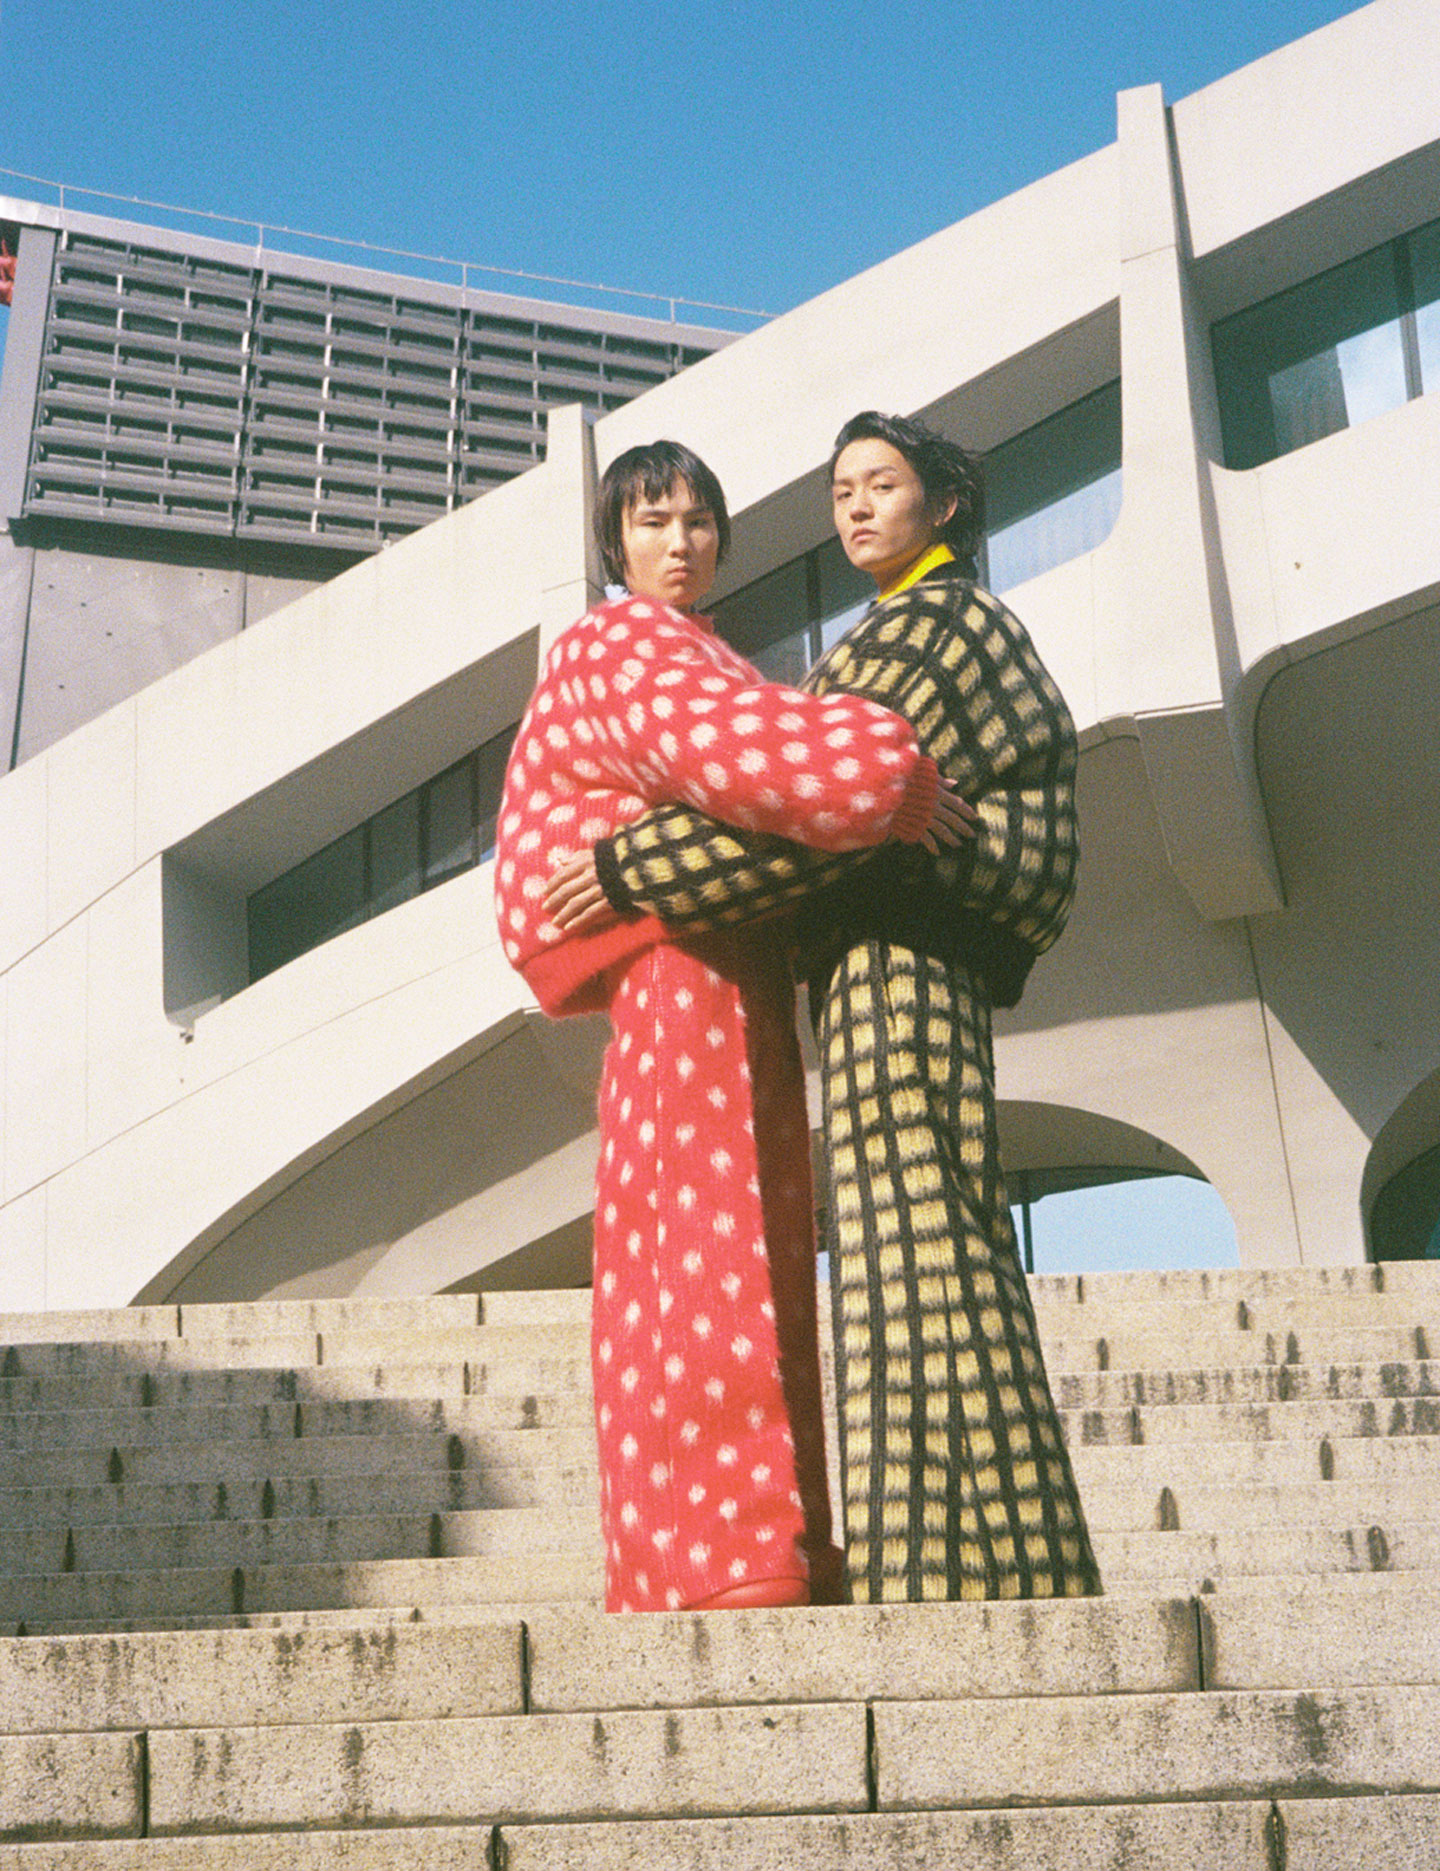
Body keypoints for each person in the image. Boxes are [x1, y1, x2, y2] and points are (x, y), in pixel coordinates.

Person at [545, 412, 1102, 1604]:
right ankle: (956, 1563)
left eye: (883, 485)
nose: (855, 508)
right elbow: (795, 793)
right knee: (909, 1257)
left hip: (904, 968)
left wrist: (629, 870)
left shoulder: (940, 627)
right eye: (843, 488)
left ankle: (958, 1572)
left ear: (940, 504)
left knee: (919, 1254)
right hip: (868, 974)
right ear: (617, 539)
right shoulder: (861, 636)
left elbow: (792, 808)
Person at [494, 438, 973, 1614]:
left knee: (726, 1244)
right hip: (682, 970)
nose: (680, 541)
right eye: (653, 521)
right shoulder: (623, 642)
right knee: (716, 1244)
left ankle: (734, 1549)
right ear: (616, 541)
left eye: (699, 520)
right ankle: (736, 1553)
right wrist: (890, 775)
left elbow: (737, 770)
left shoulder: (701, 649)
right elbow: (735, 754)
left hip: (718, 963)